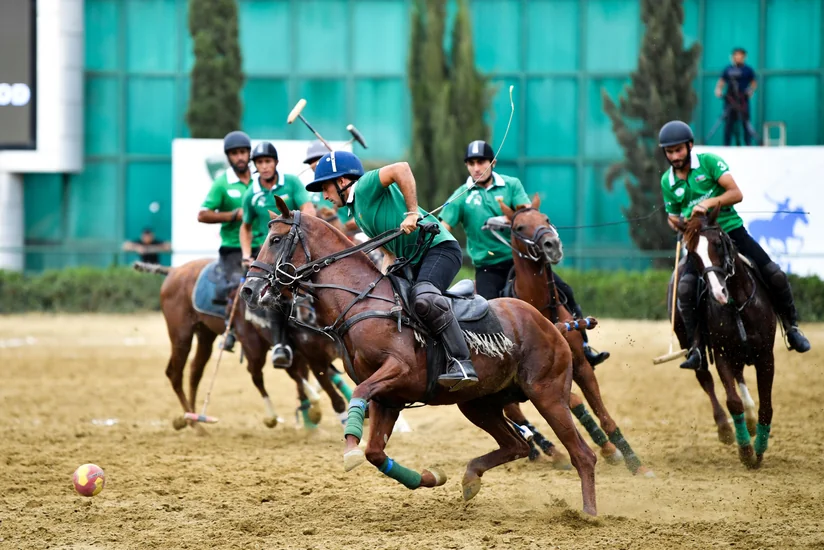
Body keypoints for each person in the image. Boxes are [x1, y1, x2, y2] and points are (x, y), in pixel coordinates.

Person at [306, 150, 478, 390]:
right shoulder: (355, 210)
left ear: (342, 182)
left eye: (325, 188)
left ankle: (462, 363)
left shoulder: (365, 185)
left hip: (440, 250)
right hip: (409, 259)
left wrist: (411, 213)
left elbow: (402, 169)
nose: (324, 196)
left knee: (425, 297)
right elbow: (389, 252)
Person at [440, 140, 610, 367]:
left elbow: (527, 214)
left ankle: (584, 347)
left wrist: (503, 220)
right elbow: (444, 227)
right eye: (471, 163)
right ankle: (495, 363)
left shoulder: (511, 185)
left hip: (520, 262)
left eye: (481, 162)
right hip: (488, 267)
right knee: (487, 310)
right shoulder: (461, 196)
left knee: (564, 291)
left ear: (493, 163)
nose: (476, 168)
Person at [658, 120, 811, 370]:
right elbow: (672, 214)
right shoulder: (668, 181)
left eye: (679, 150)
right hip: (697, 241)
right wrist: (677, 223)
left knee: (773, 273)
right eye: (669, 152)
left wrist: (707, 204)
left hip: (729, 231)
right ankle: (696, 346)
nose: (675, 156)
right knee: (684, 288)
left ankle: (791, 327)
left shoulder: (709, 163)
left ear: (690, 146)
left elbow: (736, 193)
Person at [240, 140, 316, 367]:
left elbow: (308, 209)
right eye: (260, 162)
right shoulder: (251, 194)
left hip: (295, 247)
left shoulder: (291, 183)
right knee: (272, 287)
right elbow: (245, 226)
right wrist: (246, 254)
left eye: (268, 161)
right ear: (255, 166)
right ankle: (280, 344)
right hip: (266, 251)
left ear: (275, 163)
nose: (264, 166)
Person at [197, 130, 254, 352]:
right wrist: (233, 215)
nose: (240, 157)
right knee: (235, 286)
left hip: (263, 245)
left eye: (243, 152)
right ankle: (231, 331)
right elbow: (202, 214)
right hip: (233, 249)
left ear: (249, 154)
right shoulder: (222, 183)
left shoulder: (262, 181)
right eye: (234, 154)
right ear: (228, 157)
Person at [303, 140, 357, 233]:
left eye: (319, 159)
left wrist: (356, 222)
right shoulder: (310, 193)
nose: (315, 164)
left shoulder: (347, 186)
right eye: (311, 162)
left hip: (352, 234)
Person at [714, 47, 757, 146]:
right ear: (733, 57)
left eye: (740, 55)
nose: (738, 57)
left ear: (744, 57)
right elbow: (721, 82)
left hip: (743, 100)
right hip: (730, 100)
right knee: (728, 124)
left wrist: (750, 91)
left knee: (745, 123)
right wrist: (718, 90)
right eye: (736, 55)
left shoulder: (748, 70)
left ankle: (748, 145)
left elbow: (754, 83)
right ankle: (726, 145)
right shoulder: (728, 69)